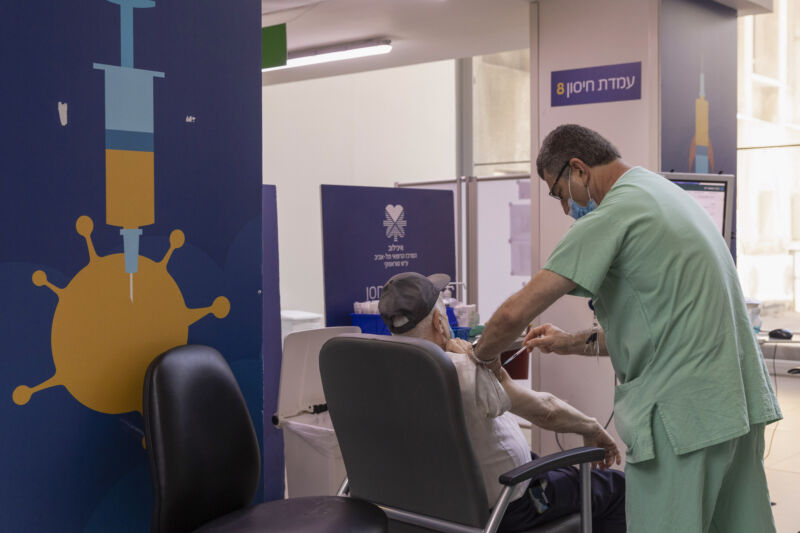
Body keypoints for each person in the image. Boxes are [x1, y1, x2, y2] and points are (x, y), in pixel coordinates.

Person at [472, 124, 782, 533]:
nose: (565, 208)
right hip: (733, 407)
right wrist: (569, 343)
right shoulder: (661, 193)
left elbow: (513, 315)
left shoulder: (613, 213)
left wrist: (477, 356)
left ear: (578, 170)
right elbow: (663, 323)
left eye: (558, 193)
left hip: (683, 419)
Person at [378, 271, 626, 533]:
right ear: (440, 322)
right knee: (617, 489)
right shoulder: (459, 369)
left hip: (430, 507)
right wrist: (592, 428)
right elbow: (547, 412)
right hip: (507, 504)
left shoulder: (381, 373)